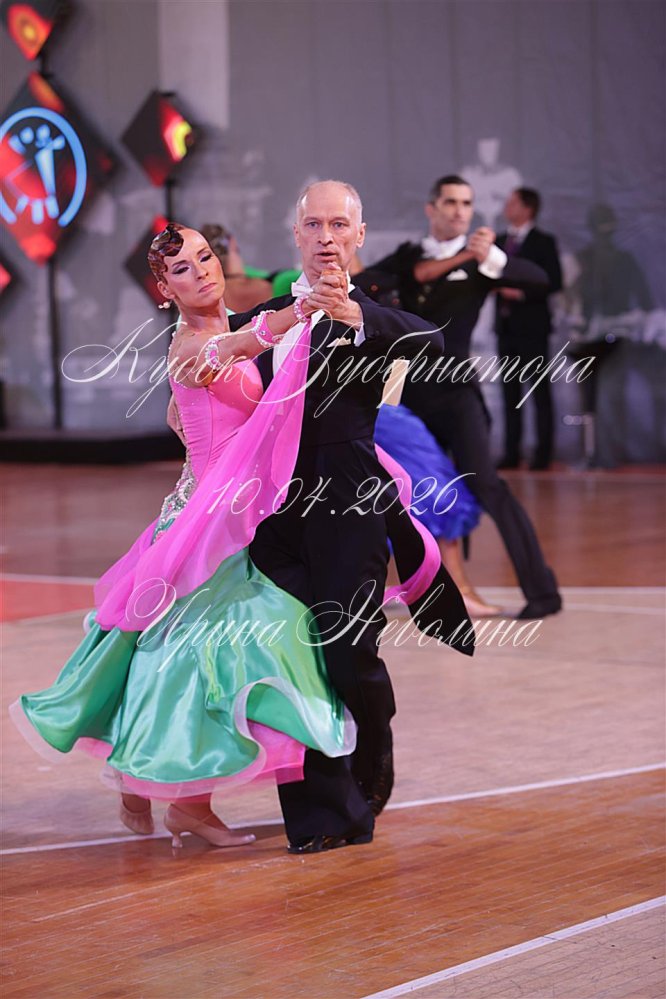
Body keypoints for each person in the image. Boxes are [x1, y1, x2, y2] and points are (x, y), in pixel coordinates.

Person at [10, 223, 361, 851]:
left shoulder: (214, 330)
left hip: (224, 518)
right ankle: (164, 789)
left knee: (197, 652)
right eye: (182, 269)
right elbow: (240, 347)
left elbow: (197, 408)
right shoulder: (190, 345)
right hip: (202, 528)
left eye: (205, 257)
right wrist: (302, 307)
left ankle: (165, 791)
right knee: (200, 652)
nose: (200, 271)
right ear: (164, 290)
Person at [228, 180, 474, 854]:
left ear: (359, 235)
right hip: (275, 513)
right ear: (297, 235)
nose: (326, 236)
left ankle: (376, 736)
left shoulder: (378, 319)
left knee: (348, 651)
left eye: (339, 224)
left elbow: (435, 344)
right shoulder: (267, 319)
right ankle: (324, 814)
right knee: (292, 655)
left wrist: (359, 316)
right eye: (314, 224)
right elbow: (211, 375)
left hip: (350, 505)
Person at [361, 174, 562, 620]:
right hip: (407, 397)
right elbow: (367, 282)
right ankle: (401, 593)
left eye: (466, 203)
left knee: (487, 485)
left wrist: (489, 255)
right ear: (431, 208)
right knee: (401, 492)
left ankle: (543, 592)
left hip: (455, 393)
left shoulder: (481, 262)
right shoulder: (410, 256)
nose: (459, 210)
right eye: (450, 202)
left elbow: (539, 281)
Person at [495, 188, 563, 470]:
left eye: (513, 203)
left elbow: (554, 281)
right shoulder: (500, 241)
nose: (507, 207)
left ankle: (543, 454)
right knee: (509, 393)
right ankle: (511, 452)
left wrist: (521, 293)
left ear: (528, 208)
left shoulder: (543, 242)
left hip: (533, 327)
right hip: (505, 327)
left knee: (538, 391)